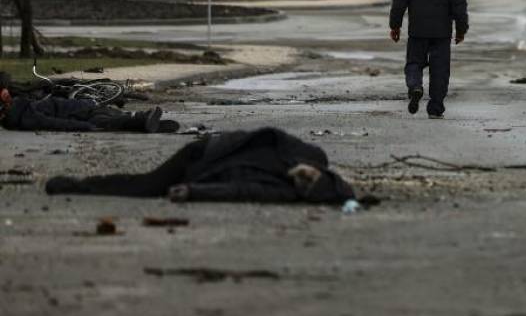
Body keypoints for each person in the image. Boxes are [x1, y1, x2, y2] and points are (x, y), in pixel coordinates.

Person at [44, 127, 357, 204]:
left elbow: (240, 191)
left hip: (204, 169)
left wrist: (194, 191)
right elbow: (270, 134)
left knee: (147, 187)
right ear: (320, 171)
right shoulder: (309, 153)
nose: (302, 179)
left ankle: (76, 185)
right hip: (206, 152)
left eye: (306, 186)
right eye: (310, 177)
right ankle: (76, 185)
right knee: (147, 186)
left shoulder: (287, 192)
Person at [389, 0, 469, 119]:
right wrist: (461, 30)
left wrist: (395, 26)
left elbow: (398, 4)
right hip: (441, 34)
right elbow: (459, 7)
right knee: (440, 70)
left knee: (414, 63)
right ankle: (435, 107)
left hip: (417, 32)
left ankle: (415, 86)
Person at [0, 84, 175, 133]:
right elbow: (53, 123)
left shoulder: (20, 107)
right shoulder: (24, 116)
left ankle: (145, 123)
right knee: (110, 121)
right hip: (81, 116)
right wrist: (83, 127)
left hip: (81, 109)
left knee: (114, 116)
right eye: (4, 93)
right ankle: (143, 119)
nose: (8, 93)